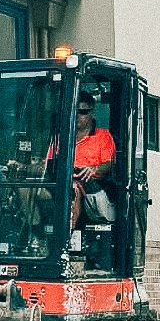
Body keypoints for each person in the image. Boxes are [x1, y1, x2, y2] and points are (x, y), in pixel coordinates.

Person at [64, 94, 116, 248]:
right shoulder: (62, 137)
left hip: (92, 186)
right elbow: (46, 164)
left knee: (73, 189)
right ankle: (36, 236)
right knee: (25, 189)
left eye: (82, 112)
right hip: (61, 183)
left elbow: (108, 165)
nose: (77, 116)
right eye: (74, 111)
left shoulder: (103, 136)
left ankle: (65, 241)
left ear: (92, 112)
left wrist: (93, 169)